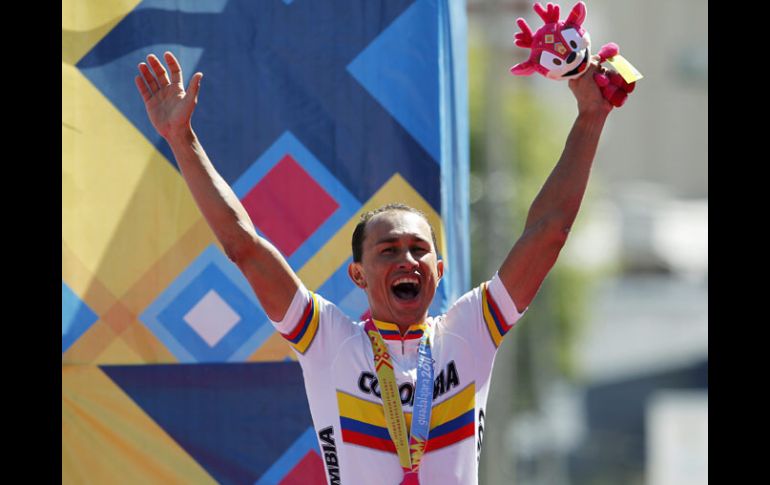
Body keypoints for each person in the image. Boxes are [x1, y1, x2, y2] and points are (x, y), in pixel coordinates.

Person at [135, 50, 618, 485]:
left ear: (440, 269)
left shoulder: (471, 330)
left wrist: (590, 118)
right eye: (388, 250)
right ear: (358, 274)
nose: (406, 259)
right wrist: (182, 140)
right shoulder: (328, 340)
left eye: (417, 249)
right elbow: (244, 246)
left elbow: (548, 232)